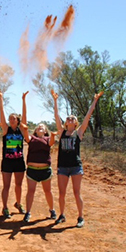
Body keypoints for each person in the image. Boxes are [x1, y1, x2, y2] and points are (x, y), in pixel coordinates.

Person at [52, 89, 103, 228]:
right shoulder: (62, 132)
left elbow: (88, 116)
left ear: (75, 123)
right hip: (62, 167)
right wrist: (55, 101)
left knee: (76, 192)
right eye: (68, 118)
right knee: (62, 193)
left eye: (73, 118)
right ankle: (61, 215)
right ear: (66, 122)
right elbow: (56, 116)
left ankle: (80, 217)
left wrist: (95, 101)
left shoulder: (79, 133)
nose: (70, 119)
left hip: (75, 167)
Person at [0, 89, 27, 218]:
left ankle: (18, 204)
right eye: (10, 119)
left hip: (19, 161)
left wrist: (23, 100)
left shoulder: (22, 130)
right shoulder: (6, 129)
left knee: (18, 185)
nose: (11, 120)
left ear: (18, 120)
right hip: (7, 162)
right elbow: (1, 115)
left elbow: (25, 116)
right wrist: (1, 99)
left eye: (14, 118)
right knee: (6, 186)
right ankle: (5, 208)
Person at [19, 117, 57, 222]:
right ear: (35, 130)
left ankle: (52, 210)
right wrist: (25, 129)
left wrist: (53, 136)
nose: (40, 128)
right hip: (32, 170)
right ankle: (28, 212)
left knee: (48, 191)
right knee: (30, 191)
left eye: (43, 127)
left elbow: (51, 143)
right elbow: (26, 135)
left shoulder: (48, 139)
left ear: (45, 131)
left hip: (45, 170)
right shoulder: (31, 138)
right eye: (38, 127)